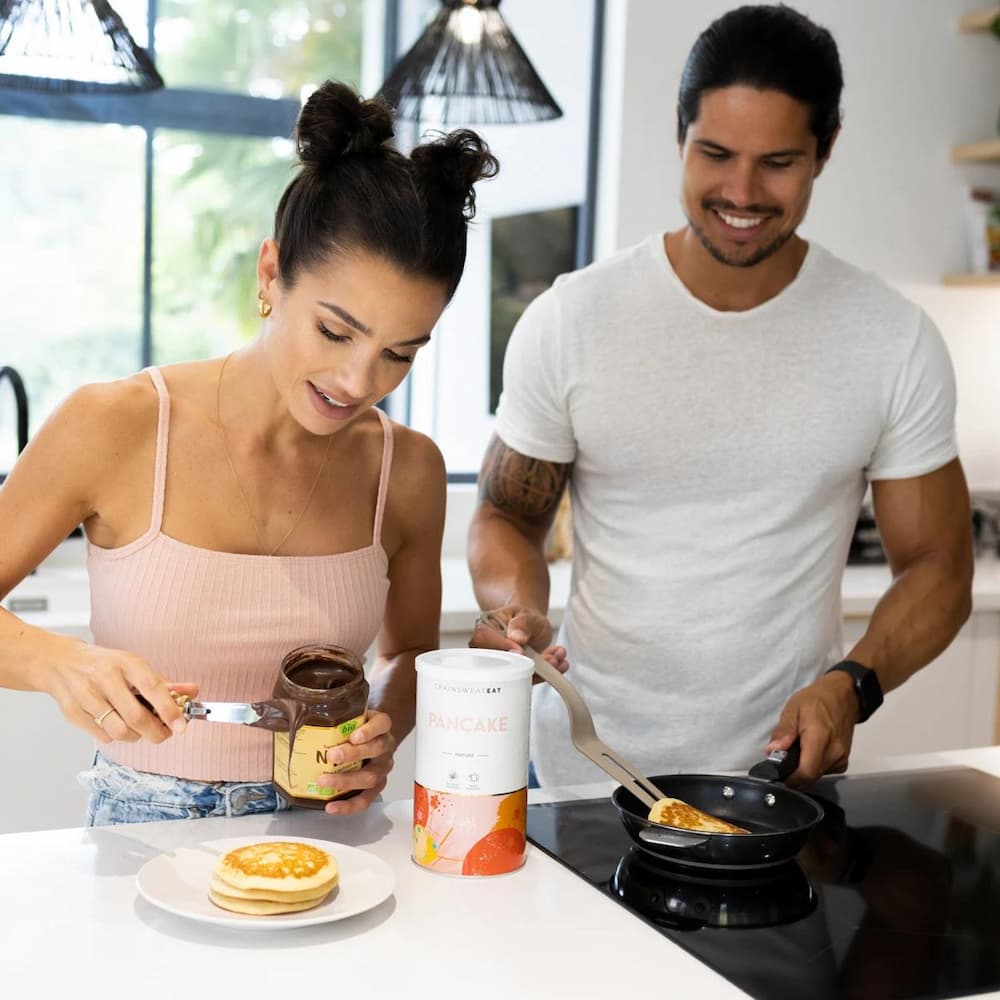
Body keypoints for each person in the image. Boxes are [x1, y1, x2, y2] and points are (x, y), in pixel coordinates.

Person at [468, 4, 973, 789]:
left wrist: (853, 684)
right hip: (581, 771)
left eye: (778, 161)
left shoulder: (891, 338)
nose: (741, 191)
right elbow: (505, 515)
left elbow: (940, 566)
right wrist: (516, 616)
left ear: (825, 151)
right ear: (679, 138)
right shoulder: (572, 319)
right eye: (715, 153)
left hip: (780, 779)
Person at [0, 80, 498, 825]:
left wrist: (380, 738)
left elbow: (407, 655)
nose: (359, 381)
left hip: (329, 826)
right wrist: (57, 662)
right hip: (142, 828)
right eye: (335, 332)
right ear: (271, 274)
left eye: (399, 354)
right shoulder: (115, 424)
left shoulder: (409, 470)